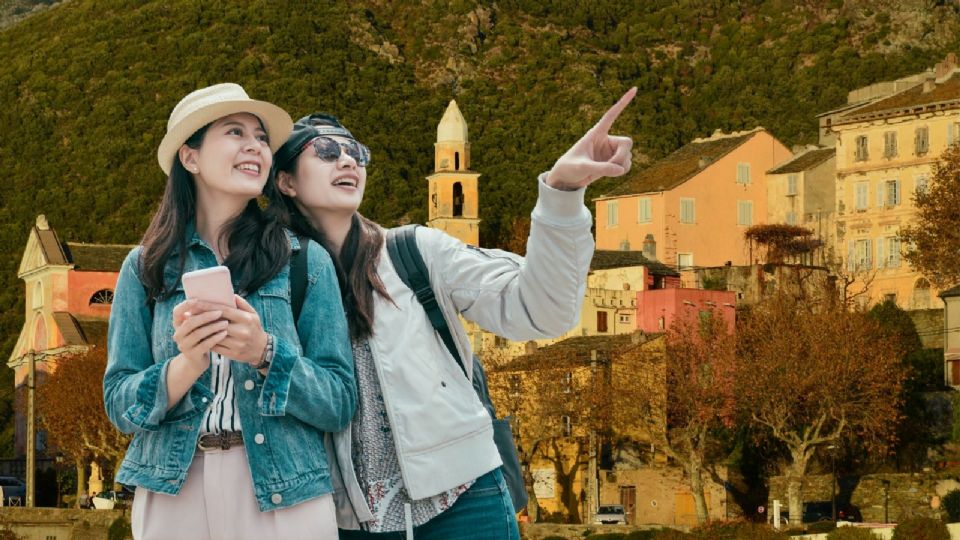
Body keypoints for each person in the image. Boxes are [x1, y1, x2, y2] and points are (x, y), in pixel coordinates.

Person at [267, 88, 636, 540]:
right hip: (341, 518)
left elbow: (541, 310)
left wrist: (562, 192)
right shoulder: (270, 279)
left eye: (355, 152)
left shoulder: (414, 251)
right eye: (326, 151)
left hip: (464, 503)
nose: (347, 161)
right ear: (286, 181)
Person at [103, 83, 356, 540]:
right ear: (190, 157)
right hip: (172, 488)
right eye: (235, 132)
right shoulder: (145, 267)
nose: (255, 147)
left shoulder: (302, 260)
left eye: (261, 138)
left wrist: (265, 354)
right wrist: (185, 366)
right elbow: (118, 404)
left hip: (287, 490)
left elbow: (339, 402)